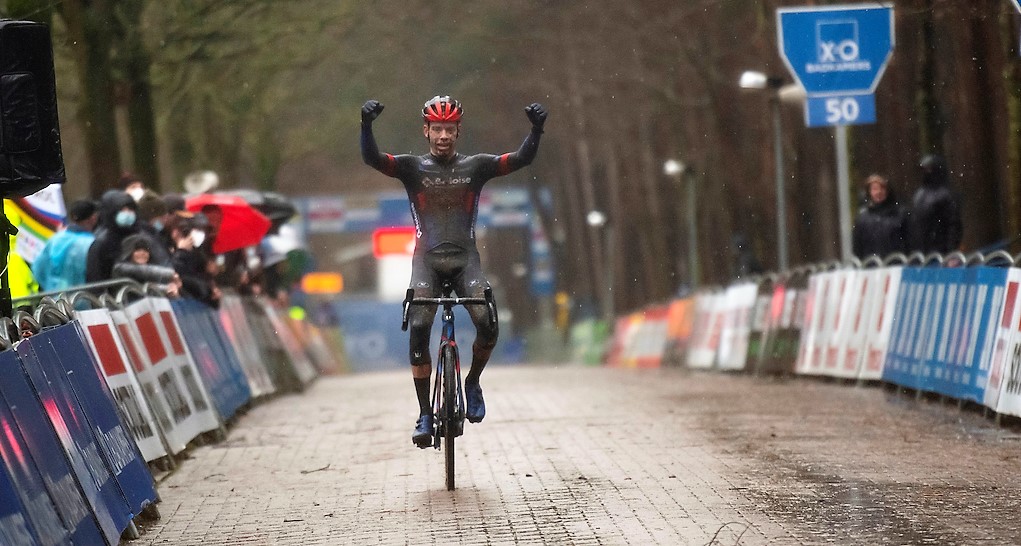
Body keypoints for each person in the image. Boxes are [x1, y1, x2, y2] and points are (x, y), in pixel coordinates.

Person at [361, 95, 547, 448]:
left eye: (449, 129)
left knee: (487, 322)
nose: (443, 135)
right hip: (426, 261)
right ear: (426, 131)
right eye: (437, 129)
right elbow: (373, 159)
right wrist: (366, 126)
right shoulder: (412, 168)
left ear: (458, 132)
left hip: (466, 261)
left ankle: (473, 382)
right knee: (418, 327)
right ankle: (424, 414)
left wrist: (536, 130)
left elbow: (521, 159)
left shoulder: (475, 167)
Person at [32, 199, 98, 291]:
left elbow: (38, 268)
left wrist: (49, 286)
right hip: (82, 299)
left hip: (54, 299)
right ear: (93, 218)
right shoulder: (91, 243)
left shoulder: (55, 239)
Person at [908, 155, 962, 255]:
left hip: (941, 249)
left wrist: (951, 250)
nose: (926, 172)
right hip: (922, 250)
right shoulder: (919, 193)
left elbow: (953, 224)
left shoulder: (946, 193)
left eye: (928, 169)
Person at [86, 190, 139, 282]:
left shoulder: (140, 234)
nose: (127, 213)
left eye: (130, 209)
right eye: (122, 210)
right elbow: (95, 277)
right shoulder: (102, 242)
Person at [852, 174, 908, 260]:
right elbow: (858, 247)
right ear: (869, 192)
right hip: (871, 268)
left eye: (882, 188)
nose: (878, 192)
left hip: (895, 266)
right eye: (874, 189)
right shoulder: (862, 218)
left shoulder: (900, 214)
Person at [112, 234, 181, 296]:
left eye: (146, 250)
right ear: (129, 252)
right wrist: (171, 275)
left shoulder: (151, 274)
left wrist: (170, 288)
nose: (142, 253)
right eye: (138, 250)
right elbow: (139, 287)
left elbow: (150, 286)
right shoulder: (120, 268)